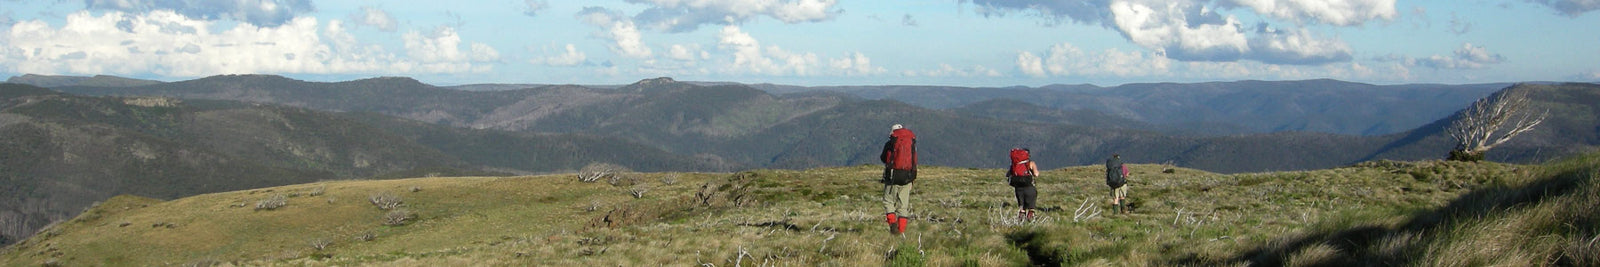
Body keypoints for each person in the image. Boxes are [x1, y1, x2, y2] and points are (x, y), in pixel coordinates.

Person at [879, 124, 917, 234]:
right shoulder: (911, 143)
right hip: (908, 177)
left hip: (893, 177)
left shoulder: (891, 143)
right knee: (903, 206)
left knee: (888, 201)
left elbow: (883, 158)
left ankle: (893, 226)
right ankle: (901, 231)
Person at [1007, 148, 1040, 221]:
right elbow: (1036, 174)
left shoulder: (1015, 164)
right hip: (1029, 187)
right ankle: (1030, 222)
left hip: (1018, 188)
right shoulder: (1031, 163)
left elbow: (1008, 174)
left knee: (1022, 208)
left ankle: (1020, 222)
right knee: (1031, 207)